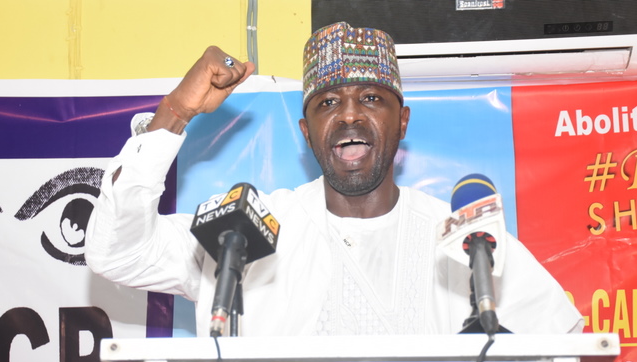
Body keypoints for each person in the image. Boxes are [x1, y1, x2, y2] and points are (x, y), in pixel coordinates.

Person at [85, 21, 583, 337]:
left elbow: (564, 349)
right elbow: (118, 252)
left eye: (371, 98)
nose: (348, 115)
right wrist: (174, 112)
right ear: (307, 132)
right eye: (328, 103)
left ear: (402, 122)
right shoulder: (244, 232)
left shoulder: (463, 241)